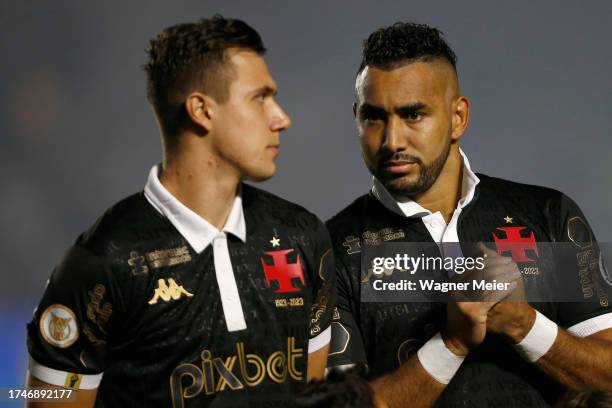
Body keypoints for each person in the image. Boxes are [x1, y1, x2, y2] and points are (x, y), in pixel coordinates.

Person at [26, 15, 335, 407]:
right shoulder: (101, 263)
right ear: (201, 110)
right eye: (260, 97)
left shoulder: (303, 236)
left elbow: (312, 398)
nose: (282, 118)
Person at [326, 22, 612, 407]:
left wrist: (524, 325)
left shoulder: (545, 214)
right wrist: (451, 343)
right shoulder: (329, 249)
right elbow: (338, 406)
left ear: (458, 117)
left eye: (413, 115)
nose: (392, 140)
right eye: (374, 118)